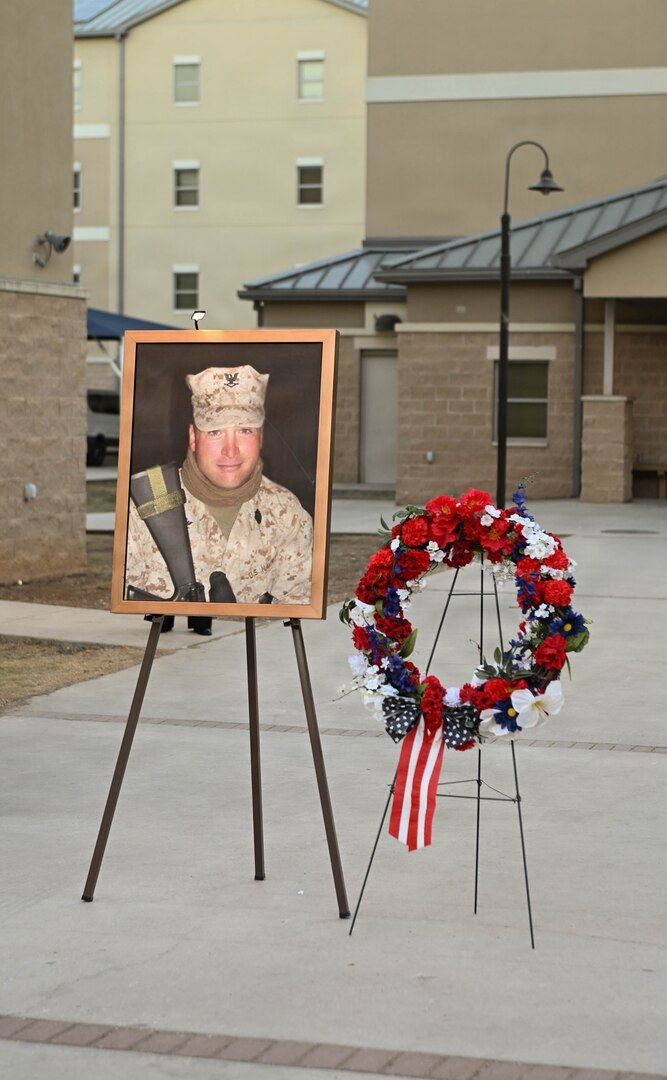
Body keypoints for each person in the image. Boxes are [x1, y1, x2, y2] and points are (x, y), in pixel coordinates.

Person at [126, 365, 313, 607]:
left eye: (245, 431)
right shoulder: (142, 506)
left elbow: (294, 609)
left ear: (262, 437)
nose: (230, 450)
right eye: (215, 432)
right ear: (193, 437)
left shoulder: (288, 514)